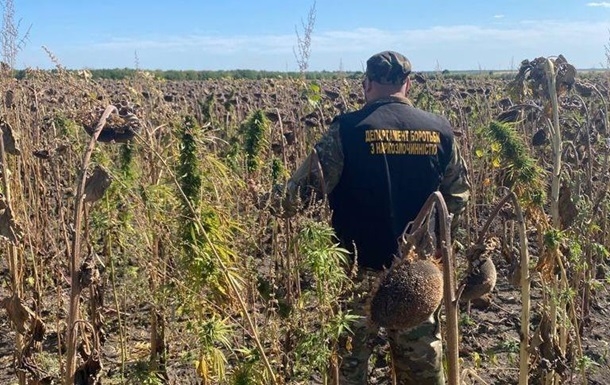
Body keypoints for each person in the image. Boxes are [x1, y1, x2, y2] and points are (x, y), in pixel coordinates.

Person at [268, 50, 471, 385]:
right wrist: (431, 245)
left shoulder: (347, 130)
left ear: (366, 84)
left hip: (355, 268)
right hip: (417, 272)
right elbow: (458, 196)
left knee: (349, 362)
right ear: (408, 84)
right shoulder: (440, 130)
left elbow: (299, 195)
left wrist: (269, 198)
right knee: (421, 365)